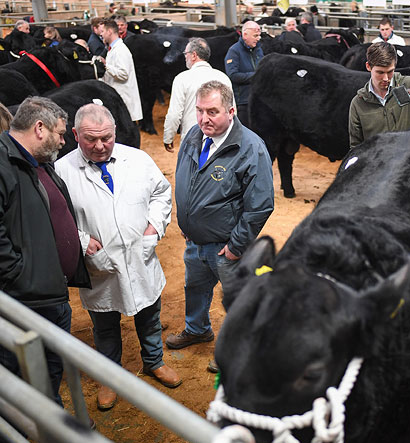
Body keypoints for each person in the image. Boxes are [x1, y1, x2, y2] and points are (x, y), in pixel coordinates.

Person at [55, 104, 180, 411]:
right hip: (100, 267)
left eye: (106, 138)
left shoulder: (137, 160)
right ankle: (110, 377)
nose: (99, 146)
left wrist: (153, 227)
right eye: (90, 139)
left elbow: (161, 193)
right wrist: (83, 242)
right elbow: (56, 219)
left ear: (115, 133)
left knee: (150, 313)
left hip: (141, 257)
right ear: (75, 135)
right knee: (105, 323)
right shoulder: (62, 171)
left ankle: (154, 361)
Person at [167, 81, 274, 368]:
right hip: (195, 241)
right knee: (195, 289)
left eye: (212, 112)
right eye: (199, 111)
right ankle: (197, 329)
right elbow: (185, 178)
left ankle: (235, 348)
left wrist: (236, 246)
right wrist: (186, 220)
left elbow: (261, 204)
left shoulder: (251, 148)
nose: (203, 119)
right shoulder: (193, 134)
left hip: (226, 247)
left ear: (231, 111)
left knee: (237, 300)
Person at [0, 97, 91, 407]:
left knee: (52, 366)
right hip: (26, 298)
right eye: (60, 133)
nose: (63, 141)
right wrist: (20, 274)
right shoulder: (3, 163)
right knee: (20, 370)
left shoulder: (35, 160)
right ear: (39, 128)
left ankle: (51, 417)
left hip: (50, 292)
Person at [348, 42, 410, 148]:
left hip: (409, 160)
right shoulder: (358, 103)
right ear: (368, 66)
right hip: (378, 162)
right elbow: (356, 147)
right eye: (380, 73)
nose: (386, 78)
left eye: (390, 72)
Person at [164, 38, 233, 153]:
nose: (185, 57)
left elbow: (174, 114)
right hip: (220, 139)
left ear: (193, 55)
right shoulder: (223, 77)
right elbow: (232, 112)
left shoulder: (182, 79)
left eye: (186, 53)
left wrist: (168, 137)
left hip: (192, 139)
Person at [99, 19, 142, 122]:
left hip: (123, 100)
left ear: (109, 31)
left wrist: (106, 66)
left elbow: (123, 74)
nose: (101, 35)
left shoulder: (121, 50)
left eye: (103, 31)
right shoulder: (112, 49)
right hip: (118, 99)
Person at [224, 21, 264, 127]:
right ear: (245, 35)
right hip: (243, 102)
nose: (258, 38)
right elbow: (233, 75)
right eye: (255, 35)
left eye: (259, 35)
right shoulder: (234, 51)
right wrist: (256, 76)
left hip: (258, 99)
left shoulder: (258, 50)